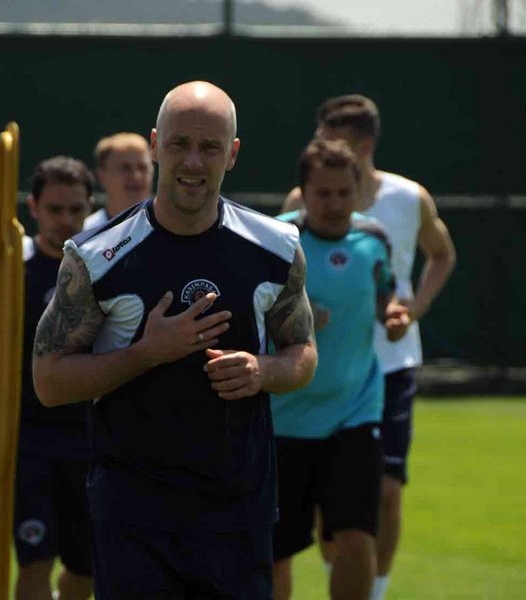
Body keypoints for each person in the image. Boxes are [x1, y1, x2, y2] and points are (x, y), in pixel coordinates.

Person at [32, 81, 318, 598]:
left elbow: (303, 352)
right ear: (155, 145)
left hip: (237, 512)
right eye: (179, 144)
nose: (193, 161)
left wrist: (263, 370)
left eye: (210, 147)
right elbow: (49, 381)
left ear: (233, 154)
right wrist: (146, 354)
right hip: (133, 516)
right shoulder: (96, 256)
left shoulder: (275, 248)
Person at [283, 94, 456, 600]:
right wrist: (297, 316)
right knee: (314, 527)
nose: (334, 200)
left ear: (362, 146)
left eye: (332, 140)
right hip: (306, 386)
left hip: (381, 374)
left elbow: (438, 258)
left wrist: (410, 311)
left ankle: (374, 591)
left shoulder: (405, 201)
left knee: (382, 496)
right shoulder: (294, 215)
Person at [271, 139, 411, 600]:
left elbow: (384, 294)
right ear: (303, 193)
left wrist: (393, 314)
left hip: (354, 415)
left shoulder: (374, 240)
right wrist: (295, 313)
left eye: (343, 193)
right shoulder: (275, 241)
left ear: (358, 191)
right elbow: (249, 313)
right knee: (273, 552)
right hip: (282, 421)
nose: (334, 204)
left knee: (356, 538)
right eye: (323, 194)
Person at [0, 155, 95, 600]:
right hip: (27, 440)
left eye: (76, 209)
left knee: (85, 570)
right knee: (34, 560)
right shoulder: (4, 269)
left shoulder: (105, 270)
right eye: (55, 209)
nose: (66, 220)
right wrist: (10, 366)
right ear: (33, 207)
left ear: (90, 207)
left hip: (91, 439)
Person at [83, 132, 153, 229]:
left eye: (142, 167)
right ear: (102, 176)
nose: (136, 176)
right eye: (125, 168)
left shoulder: (170, 226)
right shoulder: (86, 231)